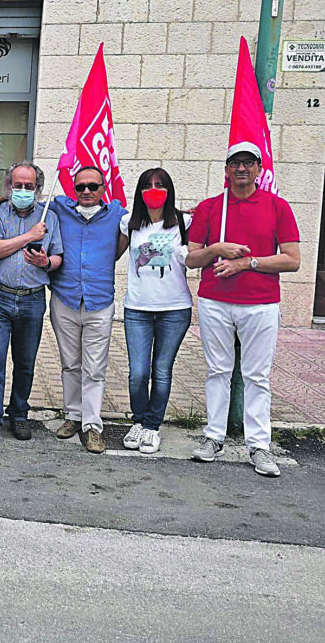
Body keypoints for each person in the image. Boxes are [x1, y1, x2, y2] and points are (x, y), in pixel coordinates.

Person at [186, 142, 300, 477]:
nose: (241, 169)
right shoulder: (210, 208)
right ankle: (213, 437)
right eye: (235, 163)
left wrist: (247, 264)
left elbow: (292, 260)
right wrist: (216, 249)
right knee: (218, 371)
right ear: (226, 169)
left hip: (261, 304)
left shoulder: (277, 207)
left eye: (248, 163)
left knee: (256, 376)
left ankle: (259, 445)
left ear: (258, 169)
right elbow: (192, 259)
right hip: (215, 302)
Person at [0, 162, 63, 446]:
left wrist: (46, 262)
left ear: (38, 188)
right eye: (18, 185)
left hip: (32, 299)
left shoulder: (49, 216)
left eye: (29, 186)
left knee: (25, 362)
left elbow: (58, 258)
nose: (23, 190)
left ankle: (18, 414)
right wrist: (28, 237)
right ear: (9, 186)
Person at [45, 166, 128, 454]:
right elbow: (30, 207)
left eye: (93, 186)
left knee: (94, 368)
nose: (87, 192)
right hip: (65, 299)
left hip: (99, 301)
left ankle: (92, 425)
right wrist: (1, 201)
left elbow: (156, 217)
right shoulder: (59, 208)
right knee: (70, 364)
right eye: (80, 187)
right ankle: (72, 416)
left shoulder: (117, 214)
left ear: (104, 188)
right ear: (73, 189)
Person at [118, 168, 193, 455]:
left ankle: (152, 427)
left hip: (174, 309)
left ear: (169, 189)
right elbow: (113, 253)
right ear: (139, 191)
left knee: (161, 370)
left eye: (159, 185)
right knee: (138, 372)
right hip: (137, 308)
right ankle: (138, 421)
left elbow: (197, 252)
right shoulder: (130, 223)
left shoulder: (184, 222)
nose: (153, 190)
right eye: (148, 185)